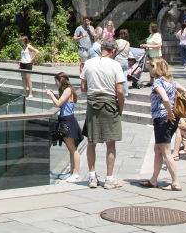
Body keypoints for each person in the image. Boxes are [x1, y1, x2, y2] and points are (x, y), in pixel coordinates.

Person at [79, 37, 127, 189]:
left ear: (101, 49)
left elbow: (83, 88)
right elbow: (120, 91)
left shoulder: (88, 63)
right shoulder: (115, 65)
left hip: (92, 103)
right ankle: (109, 179)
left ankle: (92, 178)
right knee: (110, 143)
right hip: (110, 103)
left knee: (91, 142)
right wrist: (121, 107)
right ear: (113, 51)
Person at [146, 59, 186, 191]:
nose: (149, 70)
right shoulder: (171, 82)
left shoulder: (158, 82)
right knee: (158, 149)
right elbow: (185, 92)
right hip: (172, 118)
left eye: (151, 67)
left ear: (155, 68)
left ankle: (176, 182)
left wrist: (169, 112)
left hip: (163, 119)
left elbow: (165, 98)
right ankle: (153, 180)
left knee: (166, 152)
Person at [45, 72, 82, 182]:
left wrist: (51, 94)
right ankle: (72, 172)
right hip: (66, 120)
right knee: (71, 149)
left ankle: (76, 173)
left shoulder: (68, 90)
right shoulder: (68, 90)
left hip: (68, 121)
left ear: (60, 80)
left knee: (73, 149)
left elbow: (58, 104)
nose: (55, 84)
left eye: (56, 81)